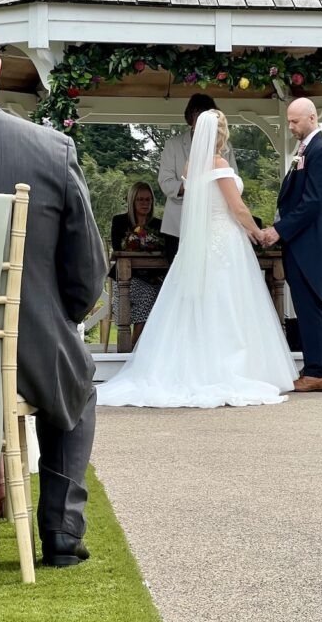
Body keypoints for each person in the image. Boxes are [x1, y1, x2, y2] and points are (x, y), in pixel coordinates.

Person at [0, 7, 105, 567]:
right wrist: (58, 319)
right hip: (23, 351)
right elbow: (86, 278)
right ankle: (62, 535)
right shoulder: (50, 151)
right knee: (77, 381)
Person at [97, 110, 297, 408]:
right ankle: (231, 366)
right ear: (222, 134)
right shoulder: (219, 163)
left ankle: (195, 363)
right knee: (229, 303)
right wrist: (257, 232)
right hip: (225, 241)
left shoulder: (191, 167)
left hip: (200, 244)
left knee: (199, 303)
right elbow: (238, 209)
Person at [261, 98, 322, 392]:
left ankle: (317, 372)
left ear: (311, 118)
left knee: (310, 305)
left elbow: (312, 202)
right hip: (301, 241)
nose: (291, 127)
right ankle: (312, 366)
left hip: (310, 243)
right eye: (289, 121)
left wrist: (279, 230)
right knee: (305, 305)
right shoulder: (306, 150)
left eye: (295, 121)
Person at [158, 94, 237, 264]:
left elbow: (233, 178)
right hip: (178, 225)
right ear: (190, 117)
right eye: (197, 115)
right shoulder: (173, 145)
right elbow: (165, 181)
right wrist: (193, 187)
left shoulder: (225, 148)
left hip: (212, 225)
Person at [110, 182, 165, 348]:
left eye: (148, 200)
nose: (145, 203)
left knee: (165, 292)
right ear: (132, 201)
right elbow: (118, 249)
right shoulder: (120, 221)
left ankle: (151, 347)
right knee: (149, 293)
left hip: (153, 276)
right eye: (140, 199)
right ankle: (134, 346)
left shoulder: (158, 225)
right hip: (125, 278)